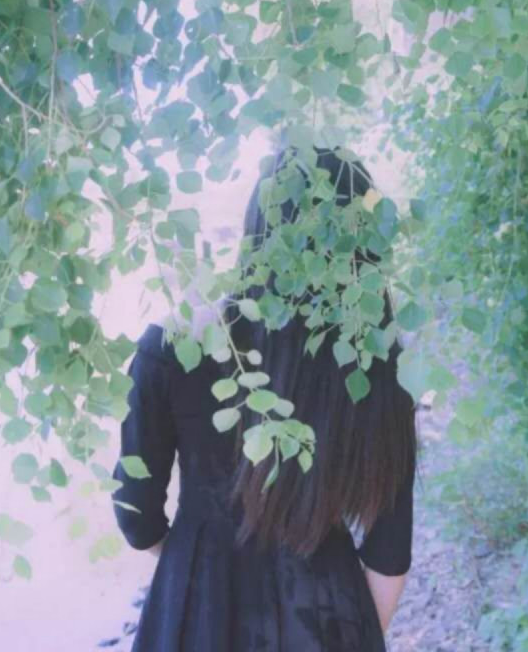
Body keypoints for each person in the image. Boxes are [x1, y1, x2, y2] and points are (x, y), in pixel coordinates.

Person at [111, 145, 419, 652]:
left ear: (259, 227)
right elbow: (389, 556)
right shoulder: (378, 362)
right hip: (325, 612)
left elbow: (136, 516)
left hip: (196, 612)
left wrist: (196, 569)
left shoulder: (173, 346)